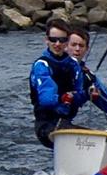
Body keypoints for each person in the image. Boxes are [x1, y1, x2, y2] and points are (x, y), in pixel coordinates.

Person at [28, 18, 88, 149]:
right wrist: (62, 98)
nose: (57, 44)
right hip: (46, 126)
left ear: (67, 41)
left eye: (61, 40)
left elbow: (79, 96)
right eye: (53, 40)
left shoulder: (74, 65)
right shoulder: (42, 65)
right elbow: (46, 99)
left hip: (65, 122)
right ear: (47, 40)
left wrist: (87, 95)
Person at [67, 26, 107, 119]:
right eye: (74, 45)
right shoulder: (52, 66)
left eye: (81, 46)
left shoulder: (87, 76)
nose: (77, 49)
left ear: (87, 49)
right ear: (66, 46)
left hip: (65, 121)